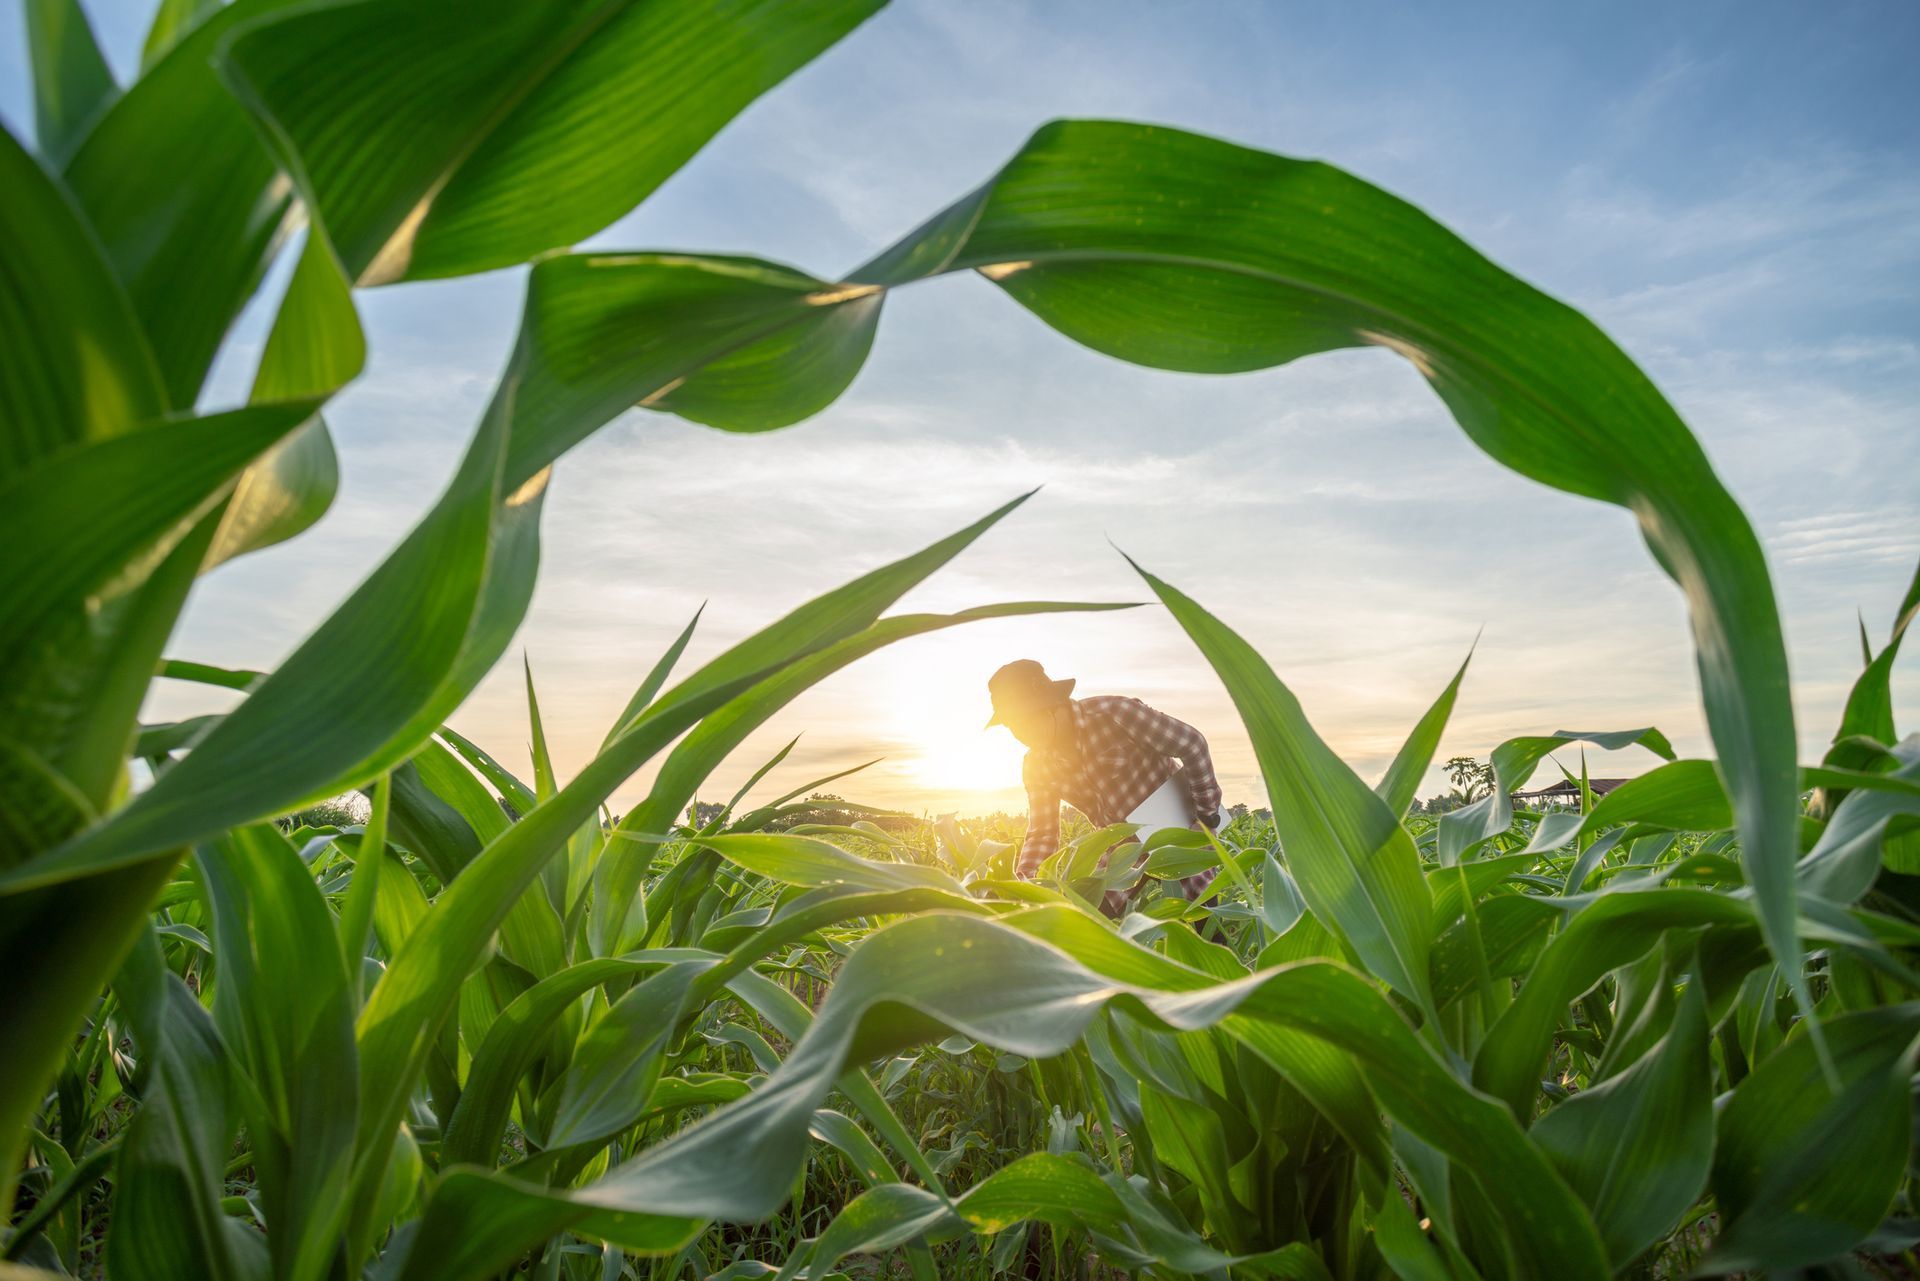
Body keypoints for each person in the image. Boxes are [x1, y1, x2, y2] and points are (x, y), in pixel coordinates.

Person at [985, 659, 1223, 916]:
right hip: (1122, 845)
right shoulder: (1036, 765)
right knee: (1093, 915)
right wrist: (1024, 888)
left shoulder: (1115, 713)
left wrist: (1207, 817)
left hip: (1177, 825)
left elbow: (1192, 744)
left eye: (1024, 721)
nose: (1021, 735)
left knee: (1203, 914)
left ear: (1050, 704)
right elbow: (1043, 834)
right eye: (1012, 726)